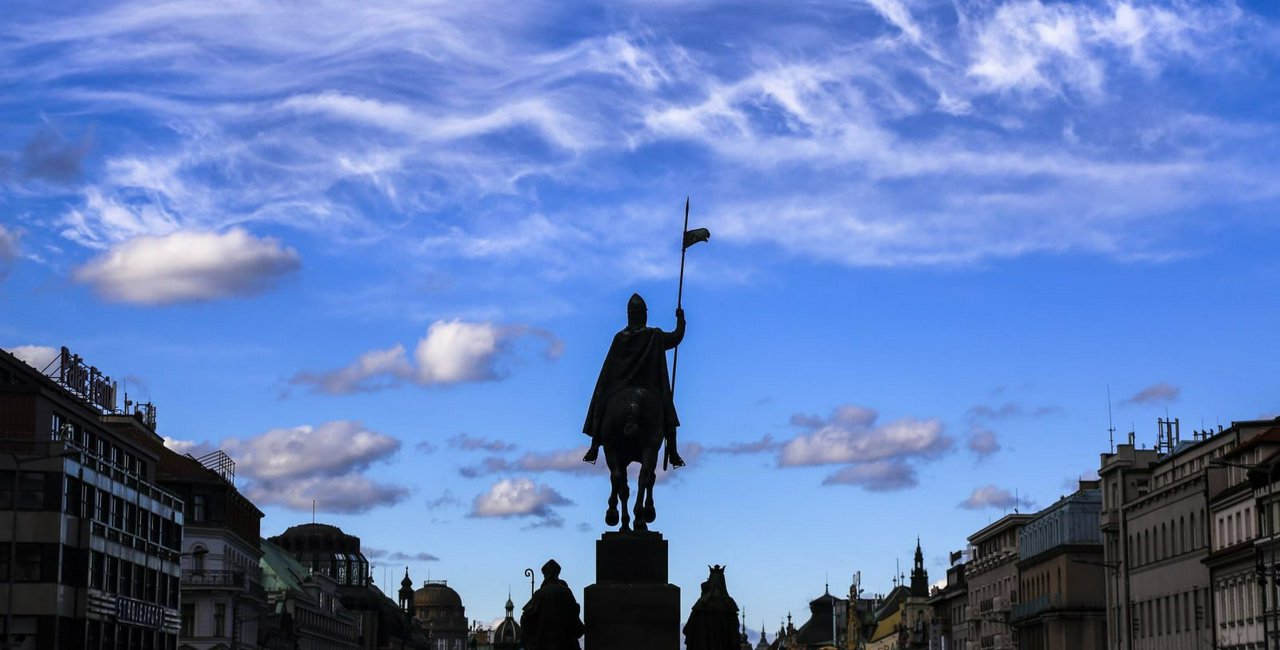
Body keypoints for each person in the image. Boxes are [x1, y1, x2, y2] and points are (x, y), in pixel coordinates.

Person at [582, 292, 686, 467]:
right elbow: (677, 337)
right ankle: (674, 452)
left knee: (602, 396)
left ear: (629, 315)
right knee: (667, 410)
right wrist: (681, 319)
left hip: (619, 387)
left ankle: (594, 446)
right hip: (649, 388)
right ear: (644, 314)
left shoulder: (620, 338)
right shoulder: (655, 336)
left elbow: (608, 371)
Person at [519, 559, 584, 650]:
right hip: (564, 644)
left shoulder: (540, 593)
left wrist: (531, 640)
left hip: (543, 644)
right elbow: (575, 620)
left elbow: (525, 618)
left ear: (546, 576)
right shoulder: (566, 592)